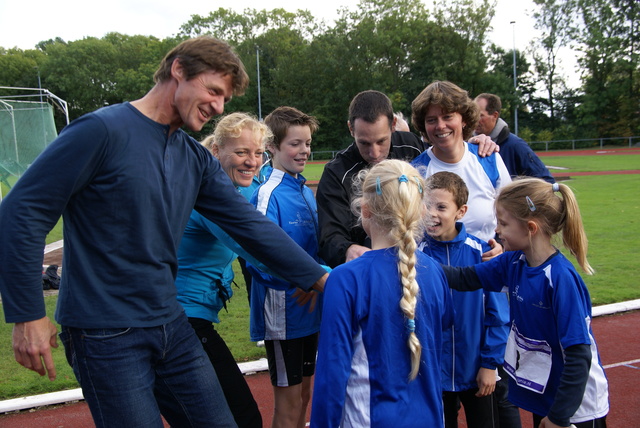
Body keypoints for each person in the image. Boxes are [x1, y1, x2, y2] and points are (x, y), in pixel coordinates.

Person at [0, 37, 328, 428]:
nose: (219, 106)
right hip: (104, 333)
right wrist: (27, 315)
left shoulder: (192, 157)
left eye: (225, 98)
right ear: (178, 71)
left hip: (171, 324)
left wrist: (323, 279)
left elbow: (249, 226)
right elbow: (21, 212)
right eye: (213, 91)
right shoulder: (101, 131)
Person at [444, 178, 609, 428]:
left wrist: (558, 416)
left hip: (576, 408)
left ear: (530, 228)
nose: (497, 230)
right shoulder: (513, 261)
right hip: (546, 395)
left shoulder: (560, 278)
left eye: (504, 223)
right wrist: (411, 262)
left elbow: (578, 355)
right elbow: (464, 277)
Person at [311, 159, 454, 427]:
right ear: (420, 210)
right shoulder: (435, 272)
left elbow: (331, 373)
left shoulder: (346, 278)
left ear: (364, 210)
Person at [410, 80, 519, 427]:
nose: (440, 126)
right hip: (437, 290)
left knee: (501, 398)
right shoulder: (416, 173)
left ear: (464, 118)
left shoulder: (488, 160)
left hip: (489, 290)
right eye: (430, 120)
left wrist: (504, 246)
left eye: (448, 116)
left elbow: (511, 218)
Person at [316, 90, 498, 268]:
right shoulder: (336, 174)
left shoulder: (410, 146)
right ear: (351, 129)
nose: (375, 153)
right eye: (364, 143)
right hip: (369, 269)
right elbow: (330, 235)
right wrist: (348, 250)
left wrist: (473, 142)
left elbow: (443, 149)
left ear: (393, 124)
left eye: (381, 141)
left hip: (422, 264)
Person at [175, 112, 271, 428]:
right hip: (184, 321)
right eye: (242, 152)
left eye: (258, 153)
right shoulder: (209, 195)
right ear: (216, 151)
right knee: (242, 416)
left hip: (189, 317)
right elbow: (254, 248)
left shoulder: (222, 183)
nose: (252, 161)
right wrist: (322, 277)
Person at [247, 106, 326, 428]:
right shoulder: (268, 194)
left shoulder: (304, 190)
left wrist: (314, 280)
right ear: (272, 146)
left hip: (311, 311)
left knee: (306, 396)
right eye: (295, 143)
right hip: (283, 314)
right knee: (289, 403)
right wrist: (307, 280)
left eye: (307, 143)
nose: (304, 150)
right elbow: (259, 256)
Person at [419, 171, 509, 428]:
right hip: (432, 373)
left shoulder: (483, 253)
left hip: (477, 370)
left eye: (441, 207)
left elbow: (499, 314)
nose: (431, 213)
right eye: (426, 205)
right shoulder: (414, 254)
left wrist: (490, 365)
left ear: (461, 211)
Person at [474, 93, 555, 183]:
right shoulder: (466, 144)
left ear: (495, 115)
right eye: (473, 114)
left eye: (480, 115)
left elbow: (546, 181)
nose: (474, 119)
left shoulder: (515, 145)